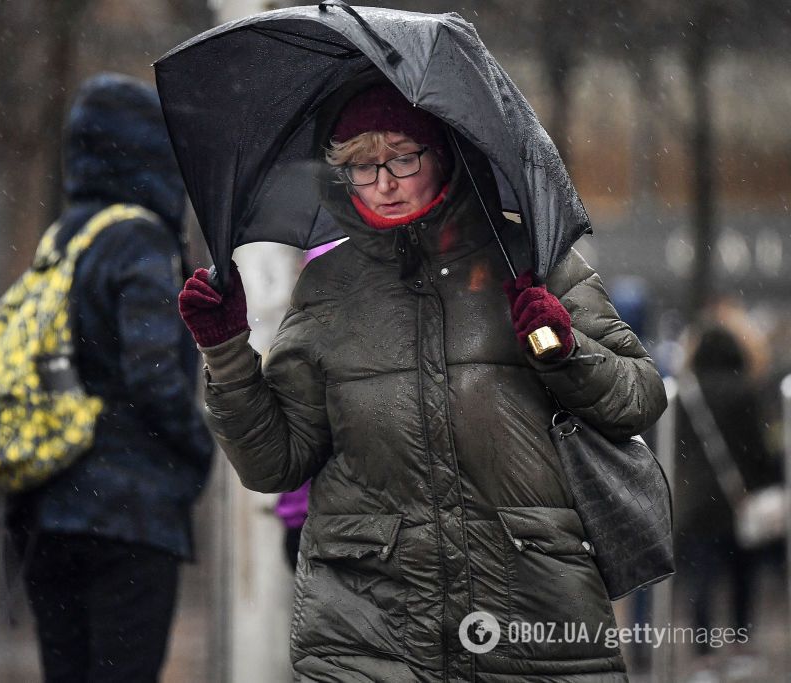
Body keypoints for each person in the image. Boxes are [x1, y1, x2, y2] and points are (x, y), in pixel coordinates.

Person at [179, 81, 667, 681]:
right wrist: (226, 352)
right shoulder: (327, 287)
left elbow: (639, 398)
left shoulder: (532, 258)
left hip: (530, 615)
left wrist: (563, 348)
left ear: (444, 155)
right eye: (360, 165)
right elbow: (274, 463)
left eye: (402, 157)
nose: (383, 182)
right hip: (367, 632)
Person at [6, 73, 215, 683]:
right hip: (128, 518)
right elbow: (152, 374)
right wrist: (196, 450)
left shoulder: (64, 238)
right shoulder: (138, 240)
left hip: (49, 507)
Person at [674, 323, 778, 652]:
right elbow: (758, 445)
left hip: (696, 498)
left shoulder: (686, 392)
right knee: (742, 574)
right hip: (739, 497)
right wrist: (763, 483)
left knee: (701, 576)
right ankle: (740, 641)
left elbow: (677, 445)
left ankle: (702, 650)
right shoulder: (744, 389)